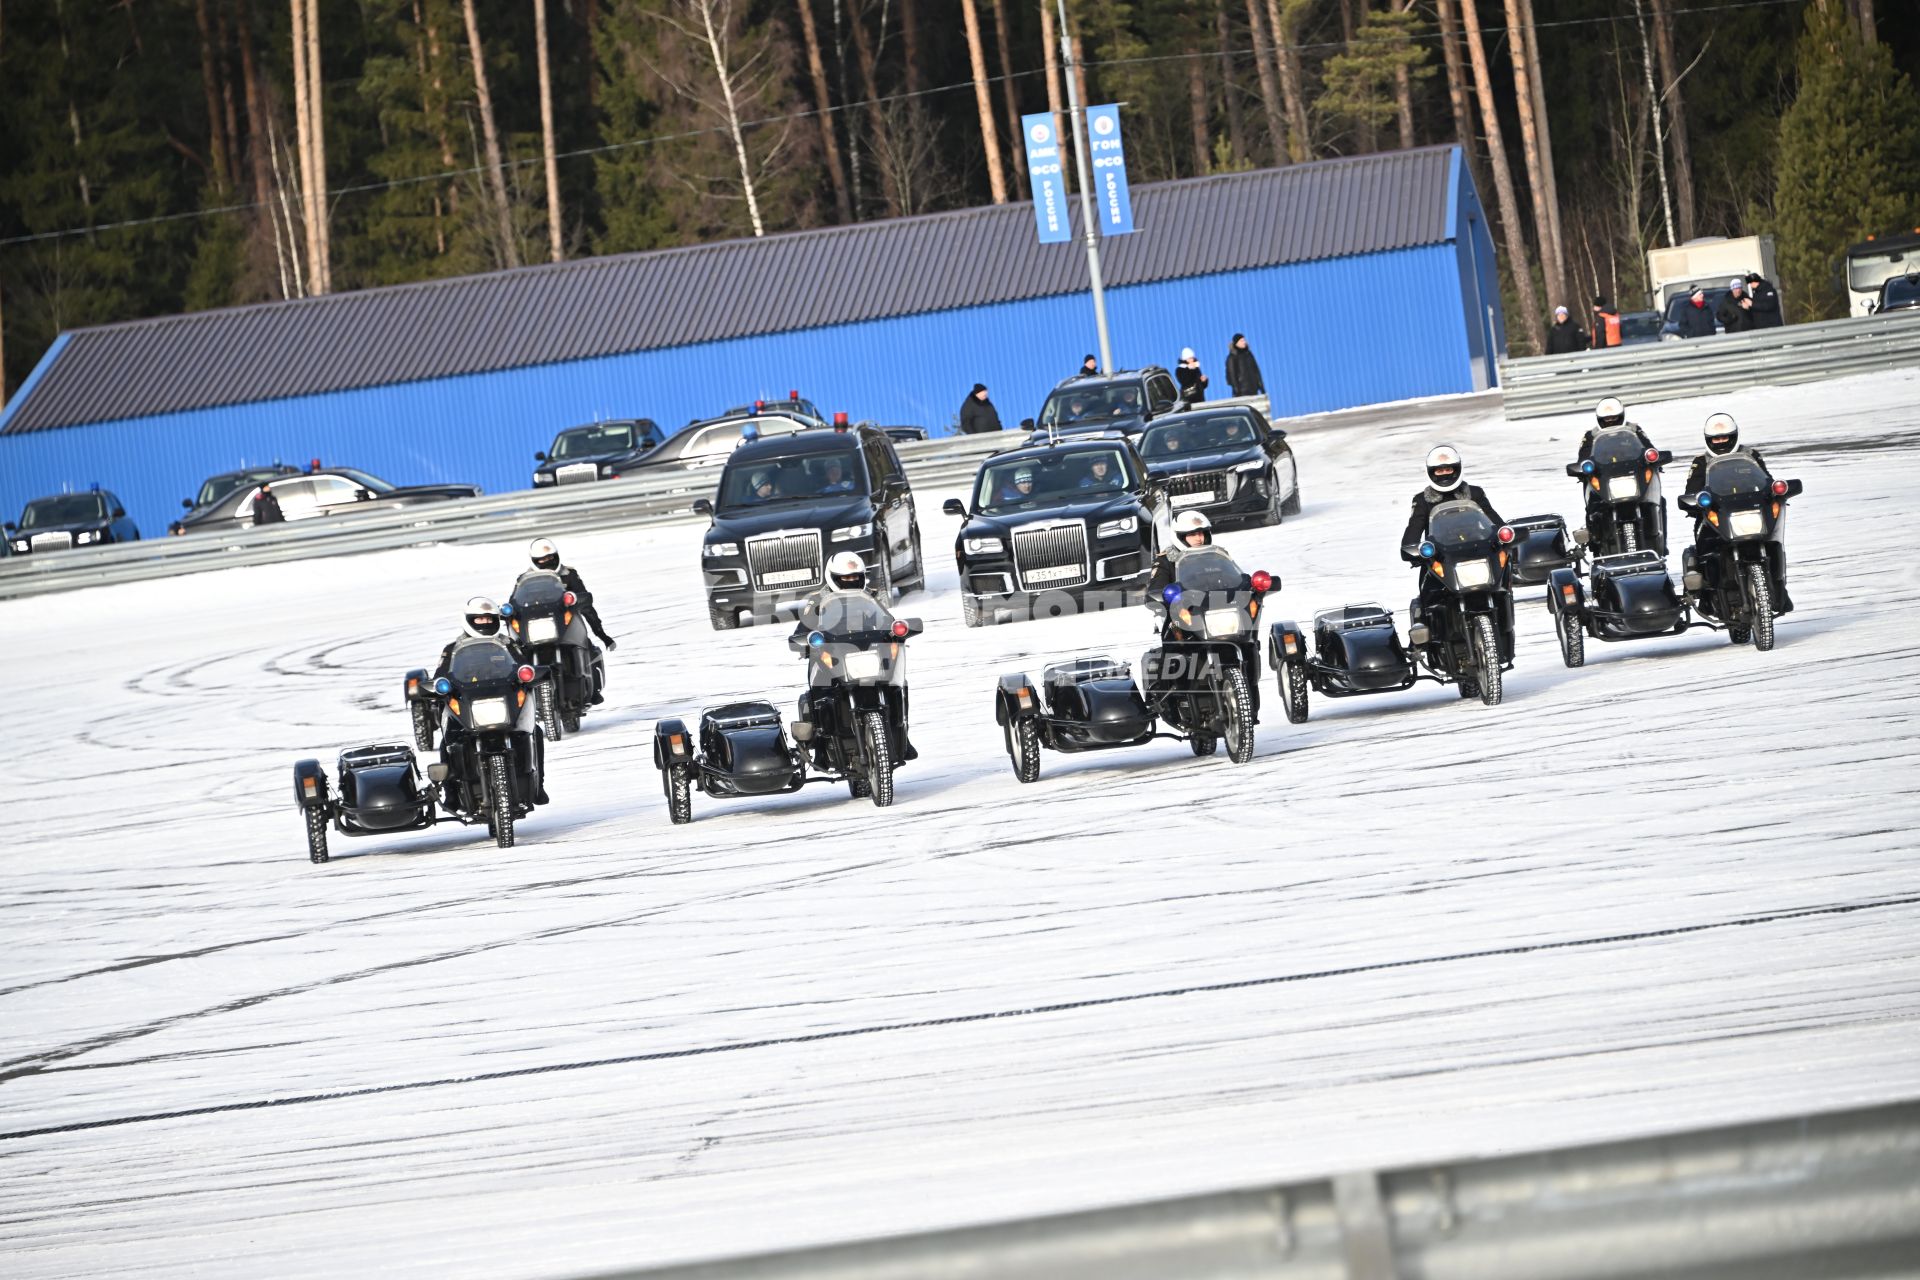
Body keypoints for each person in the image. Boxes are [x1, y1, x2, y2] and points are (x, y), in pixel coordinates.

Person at [791, 551, 916, 761]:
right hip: (833, 655)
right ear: (833, 577)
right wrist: (805, 641)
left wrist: (896, 632)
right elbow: (803, 630)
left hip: (867, 654)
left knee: (896, 685)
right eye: (845, 579)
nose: (851, 582)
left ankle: (901, 733)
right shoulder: (816, 601)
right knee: (820, 690)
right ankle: (822, 744)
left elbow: (887, 621)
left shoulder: (869, 596)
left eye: (855, 577)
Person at [432, 597, 548, 805]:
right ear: (468, 620)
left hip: (505, 701)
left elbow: (524, 667)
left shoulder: (508, 644)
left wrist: (529, 675)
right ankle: (451, 794)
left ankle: (538, 786)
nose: (485, 623)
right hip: (468, 704)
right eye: (479, 620)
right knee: (447, 741)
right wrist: (439, 685)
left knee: (535, 732)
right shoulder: (452, 649)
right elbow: (440, 675)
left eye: (489, 619)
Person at [1681, 412, 1790, 612]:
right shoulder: (1701, 462)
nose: (1721, 442)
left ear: (1734, 436)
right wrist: (1694, 502)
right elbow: (1691, 490)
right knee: (1703, 542)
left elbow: (1766, 480)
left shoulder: (1750, 455)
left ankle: (1779, 588)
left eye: (1725, 437)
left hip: (1751, 510)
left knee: (1773, 542)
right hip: (1717, 512)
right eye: (1716, 439)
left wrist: (1776, 492)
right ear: (1708, 440)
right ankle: (1707, 593)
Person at [1400, 445, 1505, 565]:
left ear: (1456, 469)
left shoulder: (1475, 493)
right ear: (1431, 472)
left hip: (1480, 552)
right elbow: (1414, 529)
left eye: (1448, 469)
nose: (1444, 474)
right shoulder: (1422, 501)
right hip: (1440, 559)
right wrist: (1411, 550)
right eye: (1439, 471)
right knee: (1429, 583)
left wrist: (1505, 536)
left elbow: (1494, 521)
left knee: (1504, 573)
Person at [1144, 510, 1216, 605]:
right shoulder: (1166, 560)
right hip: (1182, 610)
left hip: (1215, 606)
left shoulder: (1214, 556)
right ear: (1179, 537)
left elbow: (1232, 579)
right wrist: (1168, 597)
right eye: (1192, 534)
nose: (1198, 538)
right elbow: (1155, 591)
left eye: (1201, 533)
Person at [1577, 396, 1657, 460]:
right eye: (1607, 419)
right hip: (1601, 474)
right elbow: (1583, 458)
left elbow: (1648, 447)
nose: (1610, 421)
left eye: (1614, 418)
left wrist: (1654, 457)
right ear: (1600, 419)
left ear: (1621, 416)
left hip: (1634, 469)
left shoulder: (1634, 429)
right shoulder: (1591, 435)